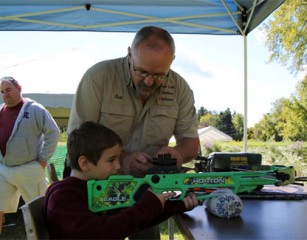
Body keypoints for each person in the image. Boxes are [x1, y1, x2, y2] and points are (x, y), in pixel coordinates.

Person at [64, 25, 200, 238]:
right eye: (142, 71)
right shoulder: (99, 78)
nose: (149, 81)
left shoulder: (180, 89)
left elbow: (191, 142)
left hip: (145, 191)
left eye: (159, 75)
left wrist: (179, 154)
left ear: (172, 61)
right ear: (129, 54)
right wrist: (123, 159)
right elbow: (77, 141)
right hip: (94, 187)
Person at [45, 121, 199, 239]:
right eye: (111, 160)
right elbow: (98, 233)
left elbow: (135, 221)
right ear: (84, 163)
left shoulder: (99, 189)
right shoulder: (63, 197)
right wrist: (147, 205)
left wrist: (176, 204)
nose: (118, 166)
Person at [0, 76, 60, 234]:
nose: (5, 94)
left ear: (19, 88)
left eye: (8, 90)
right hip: (4, 169)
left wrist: (42, 160)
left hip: (30, 168)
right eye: (2, 92)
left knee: (39, 212)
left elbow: (53, 133)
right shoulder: (0, 111)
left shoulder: (35, 109)